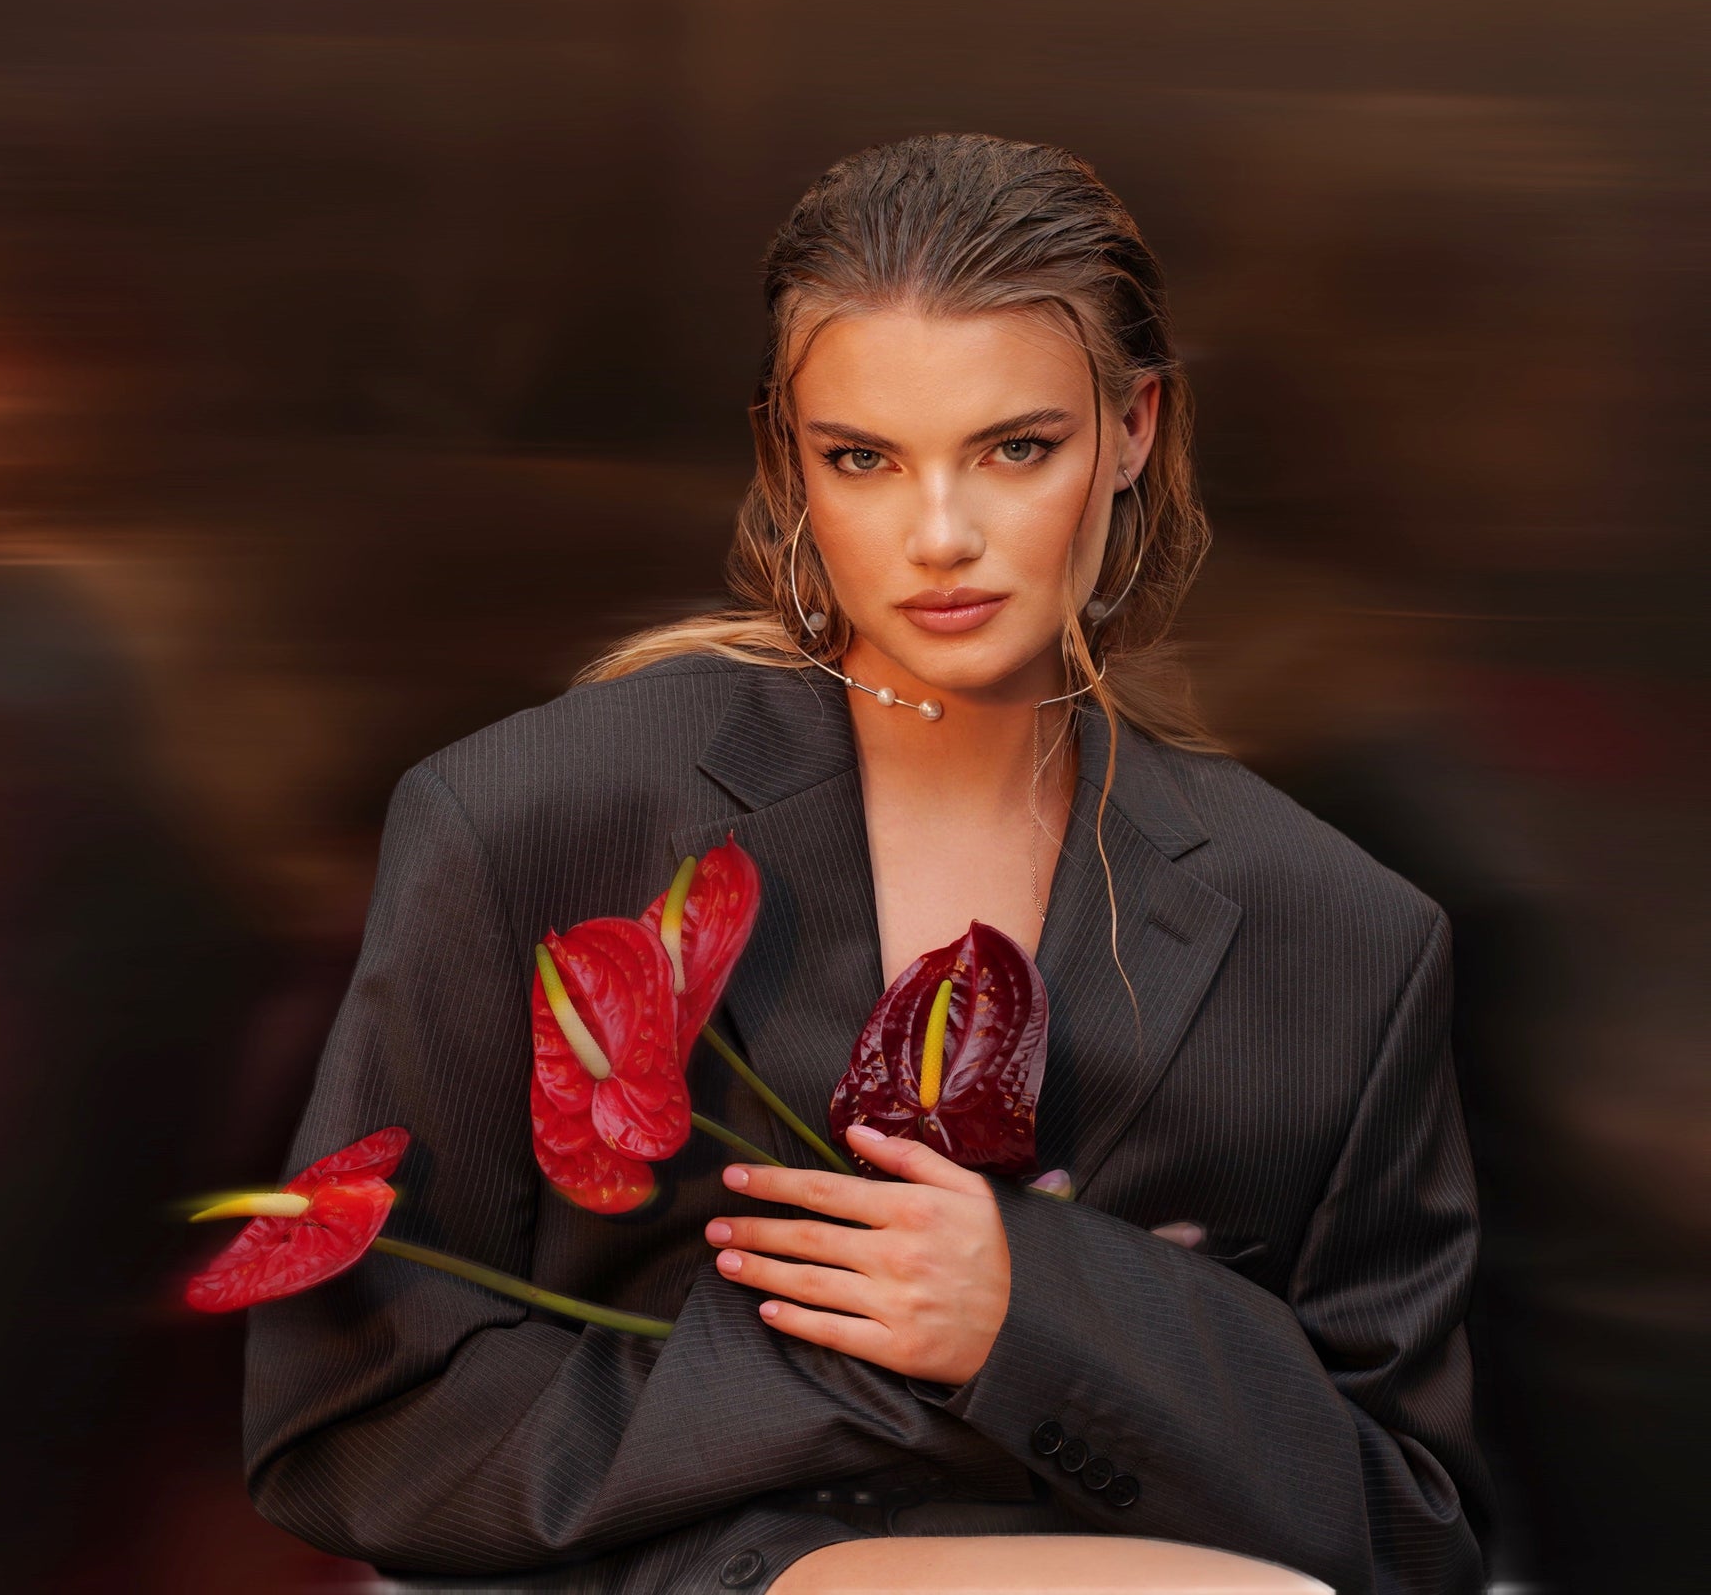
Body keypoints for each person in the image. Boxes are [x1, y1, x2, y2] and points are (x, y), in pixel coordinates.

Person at [243, 134, 1488, 1593]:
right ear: (788, 456)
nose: (941, 536)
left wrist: (1041, 1311)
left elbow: (1410, 1532)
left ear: (1134, 428)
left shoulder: (1337, 938)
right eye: (863, 459)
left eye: (1017, 449)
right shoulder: (529, 818)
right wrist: (855, 1424)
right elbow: (355, 1421)